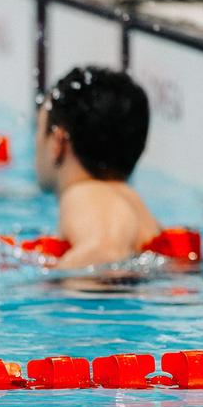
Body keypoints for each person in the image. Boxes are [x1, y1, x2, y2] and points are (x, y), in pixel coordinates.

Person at [34, 66, 162, 269]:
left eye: (38, 130)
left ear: (59, 142)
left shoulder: (86, 193)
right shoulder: (132, 202)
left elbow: (104, 253)